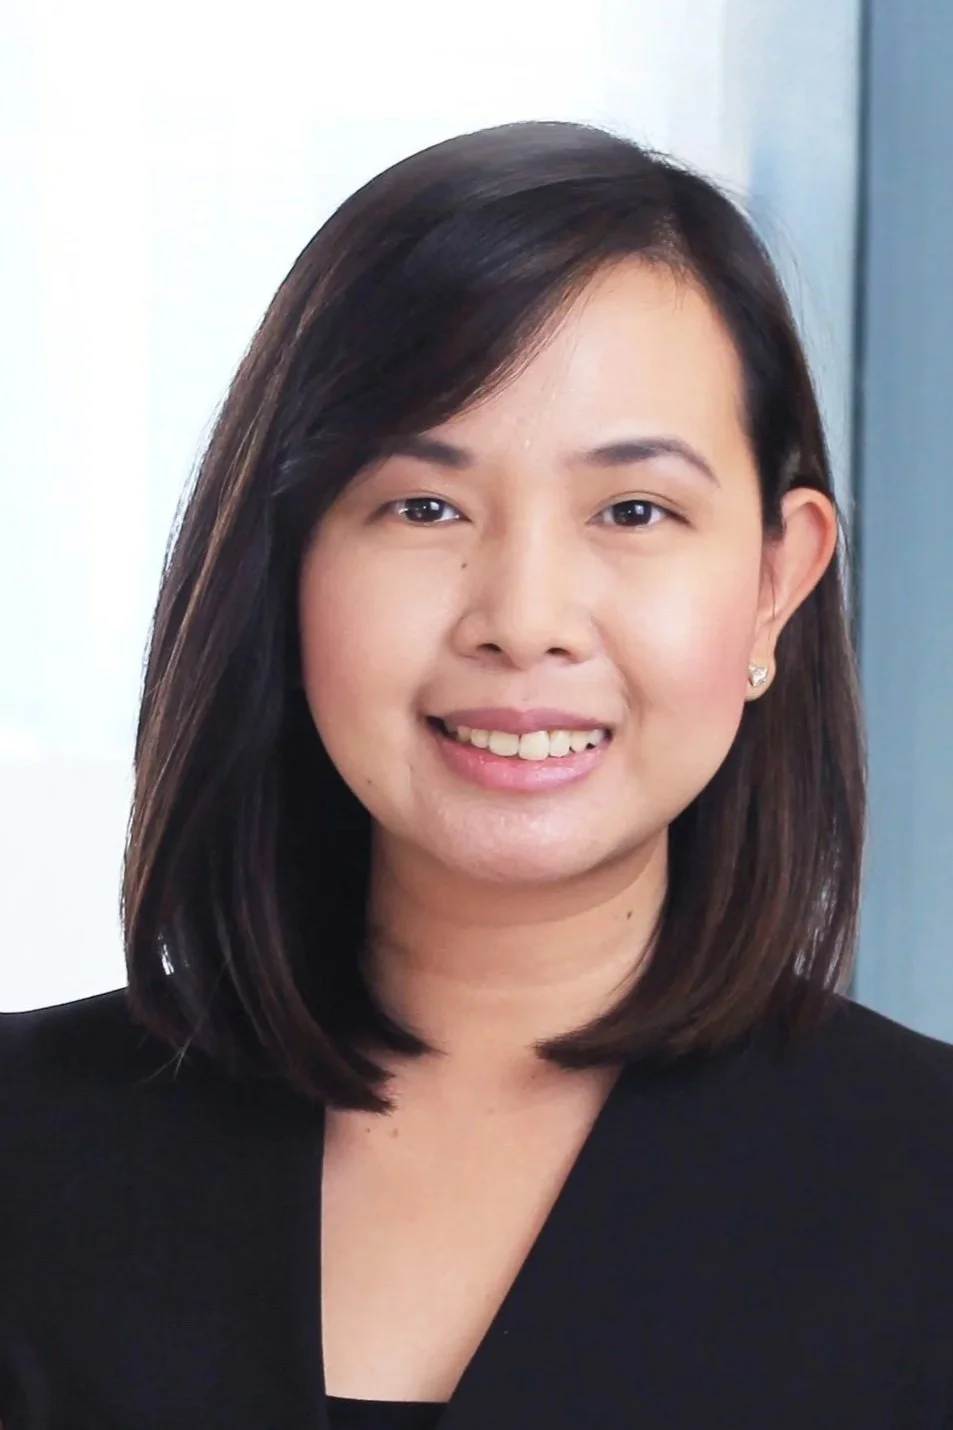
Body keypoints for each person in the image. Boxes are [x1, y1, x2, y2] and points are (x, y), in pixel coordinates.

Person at [1, 119, 951, 1430]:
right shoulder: (29, 1155)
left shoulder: (927, 1190)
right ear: (288, 561)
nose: (523, 614)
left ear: (778, 581)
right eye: (424, 505)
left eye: (634, 511)